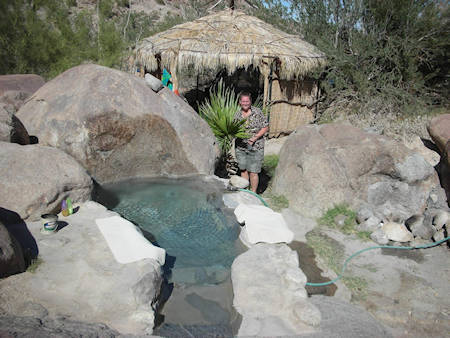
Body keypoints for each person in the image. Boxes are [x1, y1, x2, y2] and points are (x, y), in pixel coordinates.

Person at [234, 92, 269, 193]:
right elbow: (233, 130)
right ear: (240, 102)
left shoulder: (257, 112)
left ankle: (253, 193)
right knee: (244, 170)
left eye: (247, 101)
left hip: (256, 147)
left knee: (253, 172)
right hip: (241, 148)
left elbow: (265, 127)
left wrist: (255, 138)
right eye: (243, 101)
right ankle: (245, 192)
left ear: (250, 101)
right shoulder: (236, 115)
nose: (245, 103)